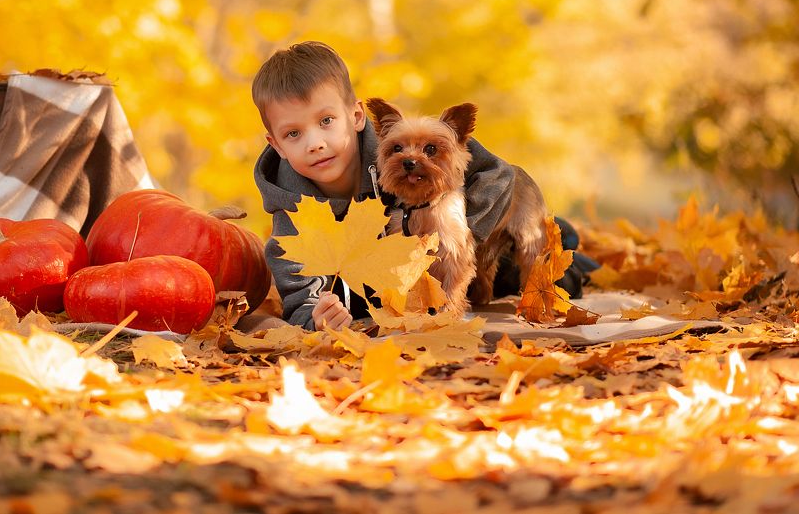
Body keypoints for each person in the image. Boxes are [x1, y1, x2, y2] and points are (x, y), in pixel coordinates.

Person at [252, 41, 594, 330]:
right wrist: (316, 318)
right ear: (277, 145)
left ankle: (569, 245)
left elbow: (500, 177)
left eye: (326, 121)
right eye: (293, 134)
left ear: (356, 117)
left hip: (469, 246)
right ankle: (568, 241)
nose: (315, 143)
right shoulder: (292, 211)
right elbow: (298, 296)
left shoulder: (403, 141)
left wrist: (457, 230)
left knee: (548, 263)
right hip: (394, 284)